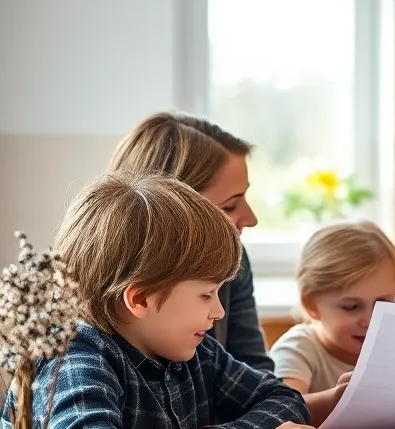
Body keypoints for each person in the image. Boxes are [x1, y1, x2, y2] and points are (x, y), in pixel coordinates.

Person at [0, 172, 325, 429]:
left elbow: (285, 401)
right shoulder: (71, 359)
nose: (218, 311)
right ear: (140, 299)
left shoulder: (194, 350)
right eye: (206, 294)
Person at [109, 112, 273, 371]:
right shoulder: (91, 359)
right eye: (230, 206)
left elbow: (257, 376)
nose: (251, 219)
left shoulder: (235, 263)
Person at [270, 221, 395, 426]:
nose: (370, 320)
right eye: (351, 307)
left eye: (383, 304)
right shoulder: (298, 348)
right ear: (312, 305)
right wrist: (336, 400)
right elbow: (281, 411)